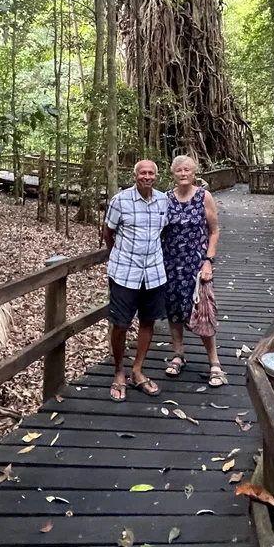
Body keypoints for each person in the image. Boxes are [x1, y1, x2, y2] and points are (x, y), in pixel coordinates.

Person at [101, 159, 167, 402]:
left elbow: (164, 231)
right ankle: (119, 371)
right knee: (120, 323)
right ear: (135, 175)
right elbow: (108, 232)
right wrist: (117, 256)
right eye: (142, 173)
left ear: (156, 177)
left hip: (154, 273)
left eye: (151, 173)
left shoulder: (163, 201)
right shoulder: (120, 201)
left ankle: (137, 371)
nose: (147, 177)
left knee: (148, 322)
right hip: (125, 273)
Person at [162, 155, 226, 387]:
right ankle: (178, 354)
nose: (182, 174)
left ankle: (215, 363)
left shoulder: (203, 196)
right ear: (173, 173)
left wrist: (208, 260)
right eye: (178, 170)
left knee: (202, 310)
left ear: (194, 172)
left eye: (186, 169)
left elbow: (215, 230)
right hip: (170, 263)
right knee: (175, 310)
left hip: (196, 263)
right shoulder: (166, 198)